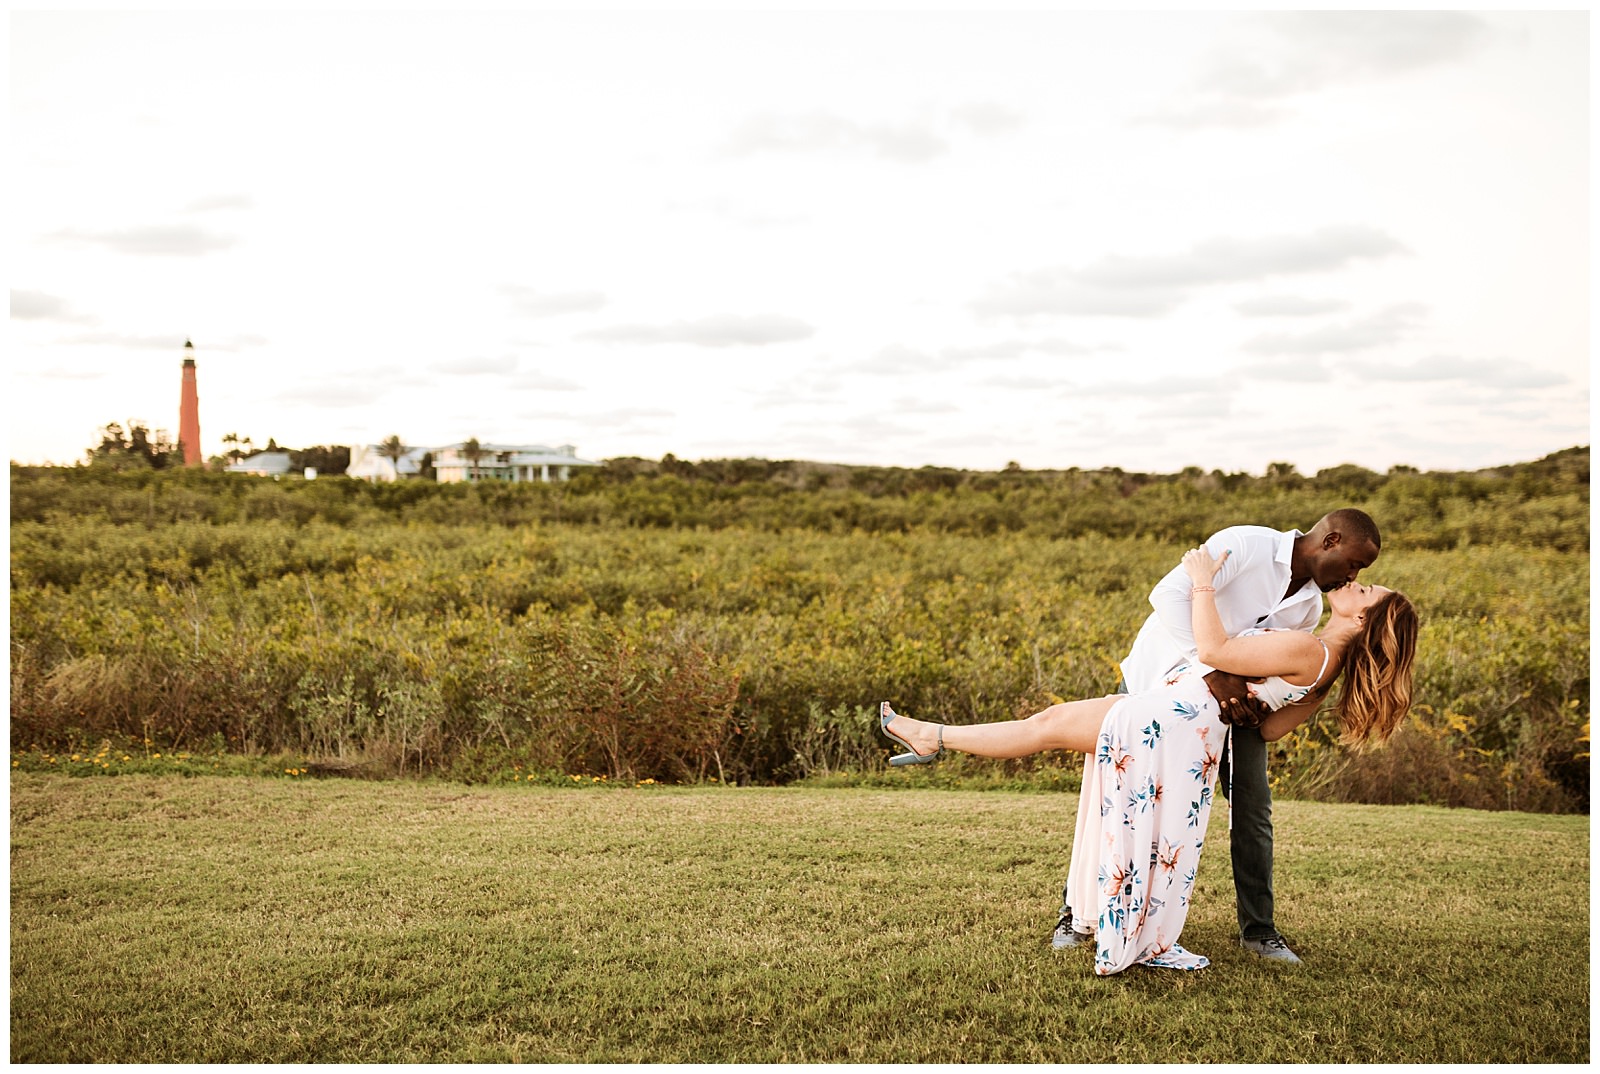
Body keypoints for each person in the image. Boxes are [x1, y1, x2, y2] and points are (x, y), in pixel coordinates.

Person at [879, 544, 1417, 975]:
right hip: (1187, 725)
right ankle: (933, 738)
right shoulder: (1324, 669)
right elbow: (1271, 728)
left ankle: (932, 738)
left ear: (1367, 617)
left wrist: (1202, 579)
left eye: (1366, 588)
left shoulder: (1310, 650)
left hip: (1169, 718)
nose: (1355, 584)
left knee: (1046, 727)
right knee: (1055, 729)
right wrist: (1250, 702)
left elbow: (1212, 652)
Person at [1081, 510, 1383, 964]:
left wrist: (1253, 701)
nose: (1353, 576)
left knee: (1253, 806)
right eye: (1354, 564)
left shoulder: (1309, 609)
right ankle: (1078, 911)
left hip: (1229, 708)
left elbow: (1271, 665)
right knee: (1114, 789)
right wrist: (1211, 673)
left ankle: (1259, 930)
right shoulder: (1245, 543)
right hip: (1156, 680)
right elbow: (1166, 594)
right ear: (1331, 540)